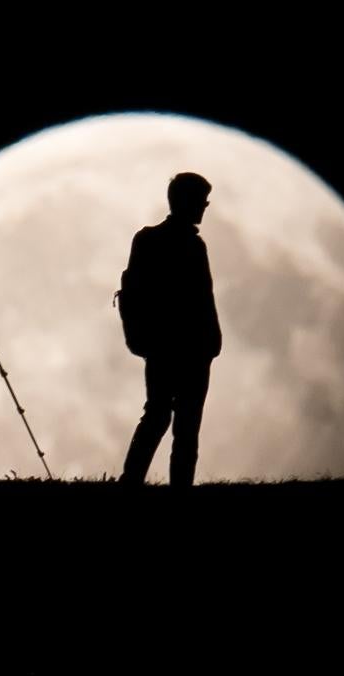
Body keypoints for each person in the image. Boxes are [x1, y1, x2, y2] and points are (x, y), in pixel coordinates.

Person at [120, 172, 222, 487]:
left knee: (159, 416)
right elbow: (202, 299)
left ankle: (131, 481)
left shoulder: (148, 239)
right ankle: (177, 487)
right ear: (187, 202)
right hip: (187, 347)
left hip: (165, 347)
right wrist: (211, 342)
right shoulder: (190, 245)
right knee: (182, 424)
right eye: (201, 201)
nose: (204, 207)